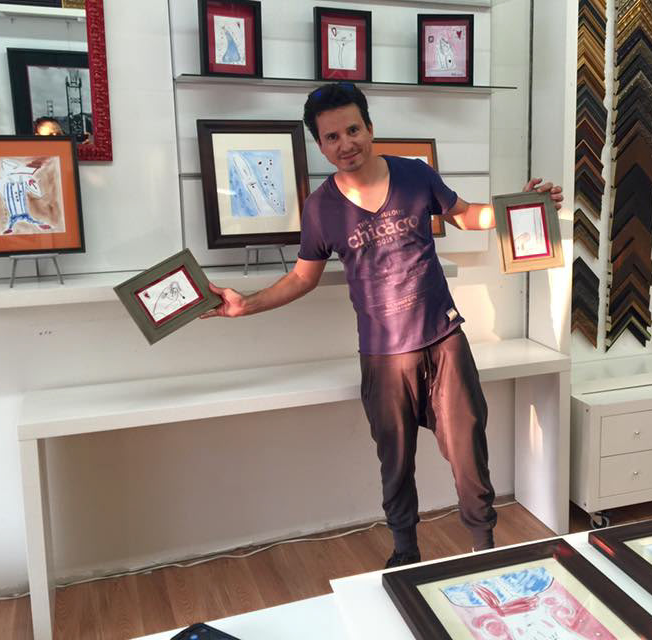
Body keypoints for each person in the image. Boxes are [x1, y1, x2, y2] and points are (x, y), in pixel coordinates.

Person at [203, 82, 562, 568]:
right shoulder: (321, 208)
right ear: (320, 145)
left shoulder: (415, 174)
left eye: (353, 130)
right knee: (395, 464)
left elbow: (464, 215)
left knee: (469, 455)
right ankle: (405, 554)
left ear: (370, 128)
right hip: (383, 358)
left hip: (444, 343)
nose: (345, 143)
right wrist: (245, 305)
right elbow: (302, 278)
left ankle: (484, 548)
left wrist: (520, 206)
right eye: (332, 137)